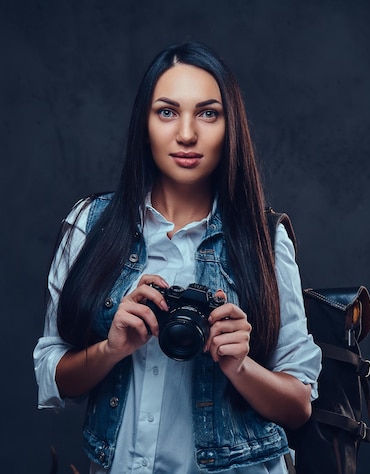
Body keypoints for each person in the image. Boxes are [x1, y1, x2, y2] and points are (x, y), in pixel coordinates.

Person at [33, 41, 322, 473]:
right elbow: (52, 372)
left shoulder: (264, 237)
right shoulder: (89, 225)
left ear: (230, 127)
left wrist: (239, 365)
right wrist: (111, 350)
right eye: (167, 111)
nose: (187, 133)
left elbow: (299, 404)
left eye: (208, 113)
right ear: (143, 124)